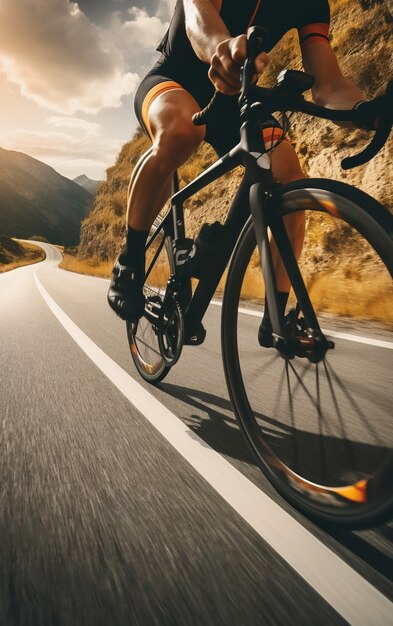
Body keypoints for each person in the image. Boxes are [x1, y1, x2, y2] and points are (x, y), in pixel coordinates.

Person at [107, 0, 366, 345]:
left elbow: (331, 87)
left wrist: (365, 110)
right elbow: (198, 19)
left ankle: (276, 318)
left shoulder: (312, 4)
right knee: (183, 130)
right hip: (173, 80)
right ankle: (130, 260)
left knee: (291, 177)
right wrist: (221, 46)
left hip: (237, 98)